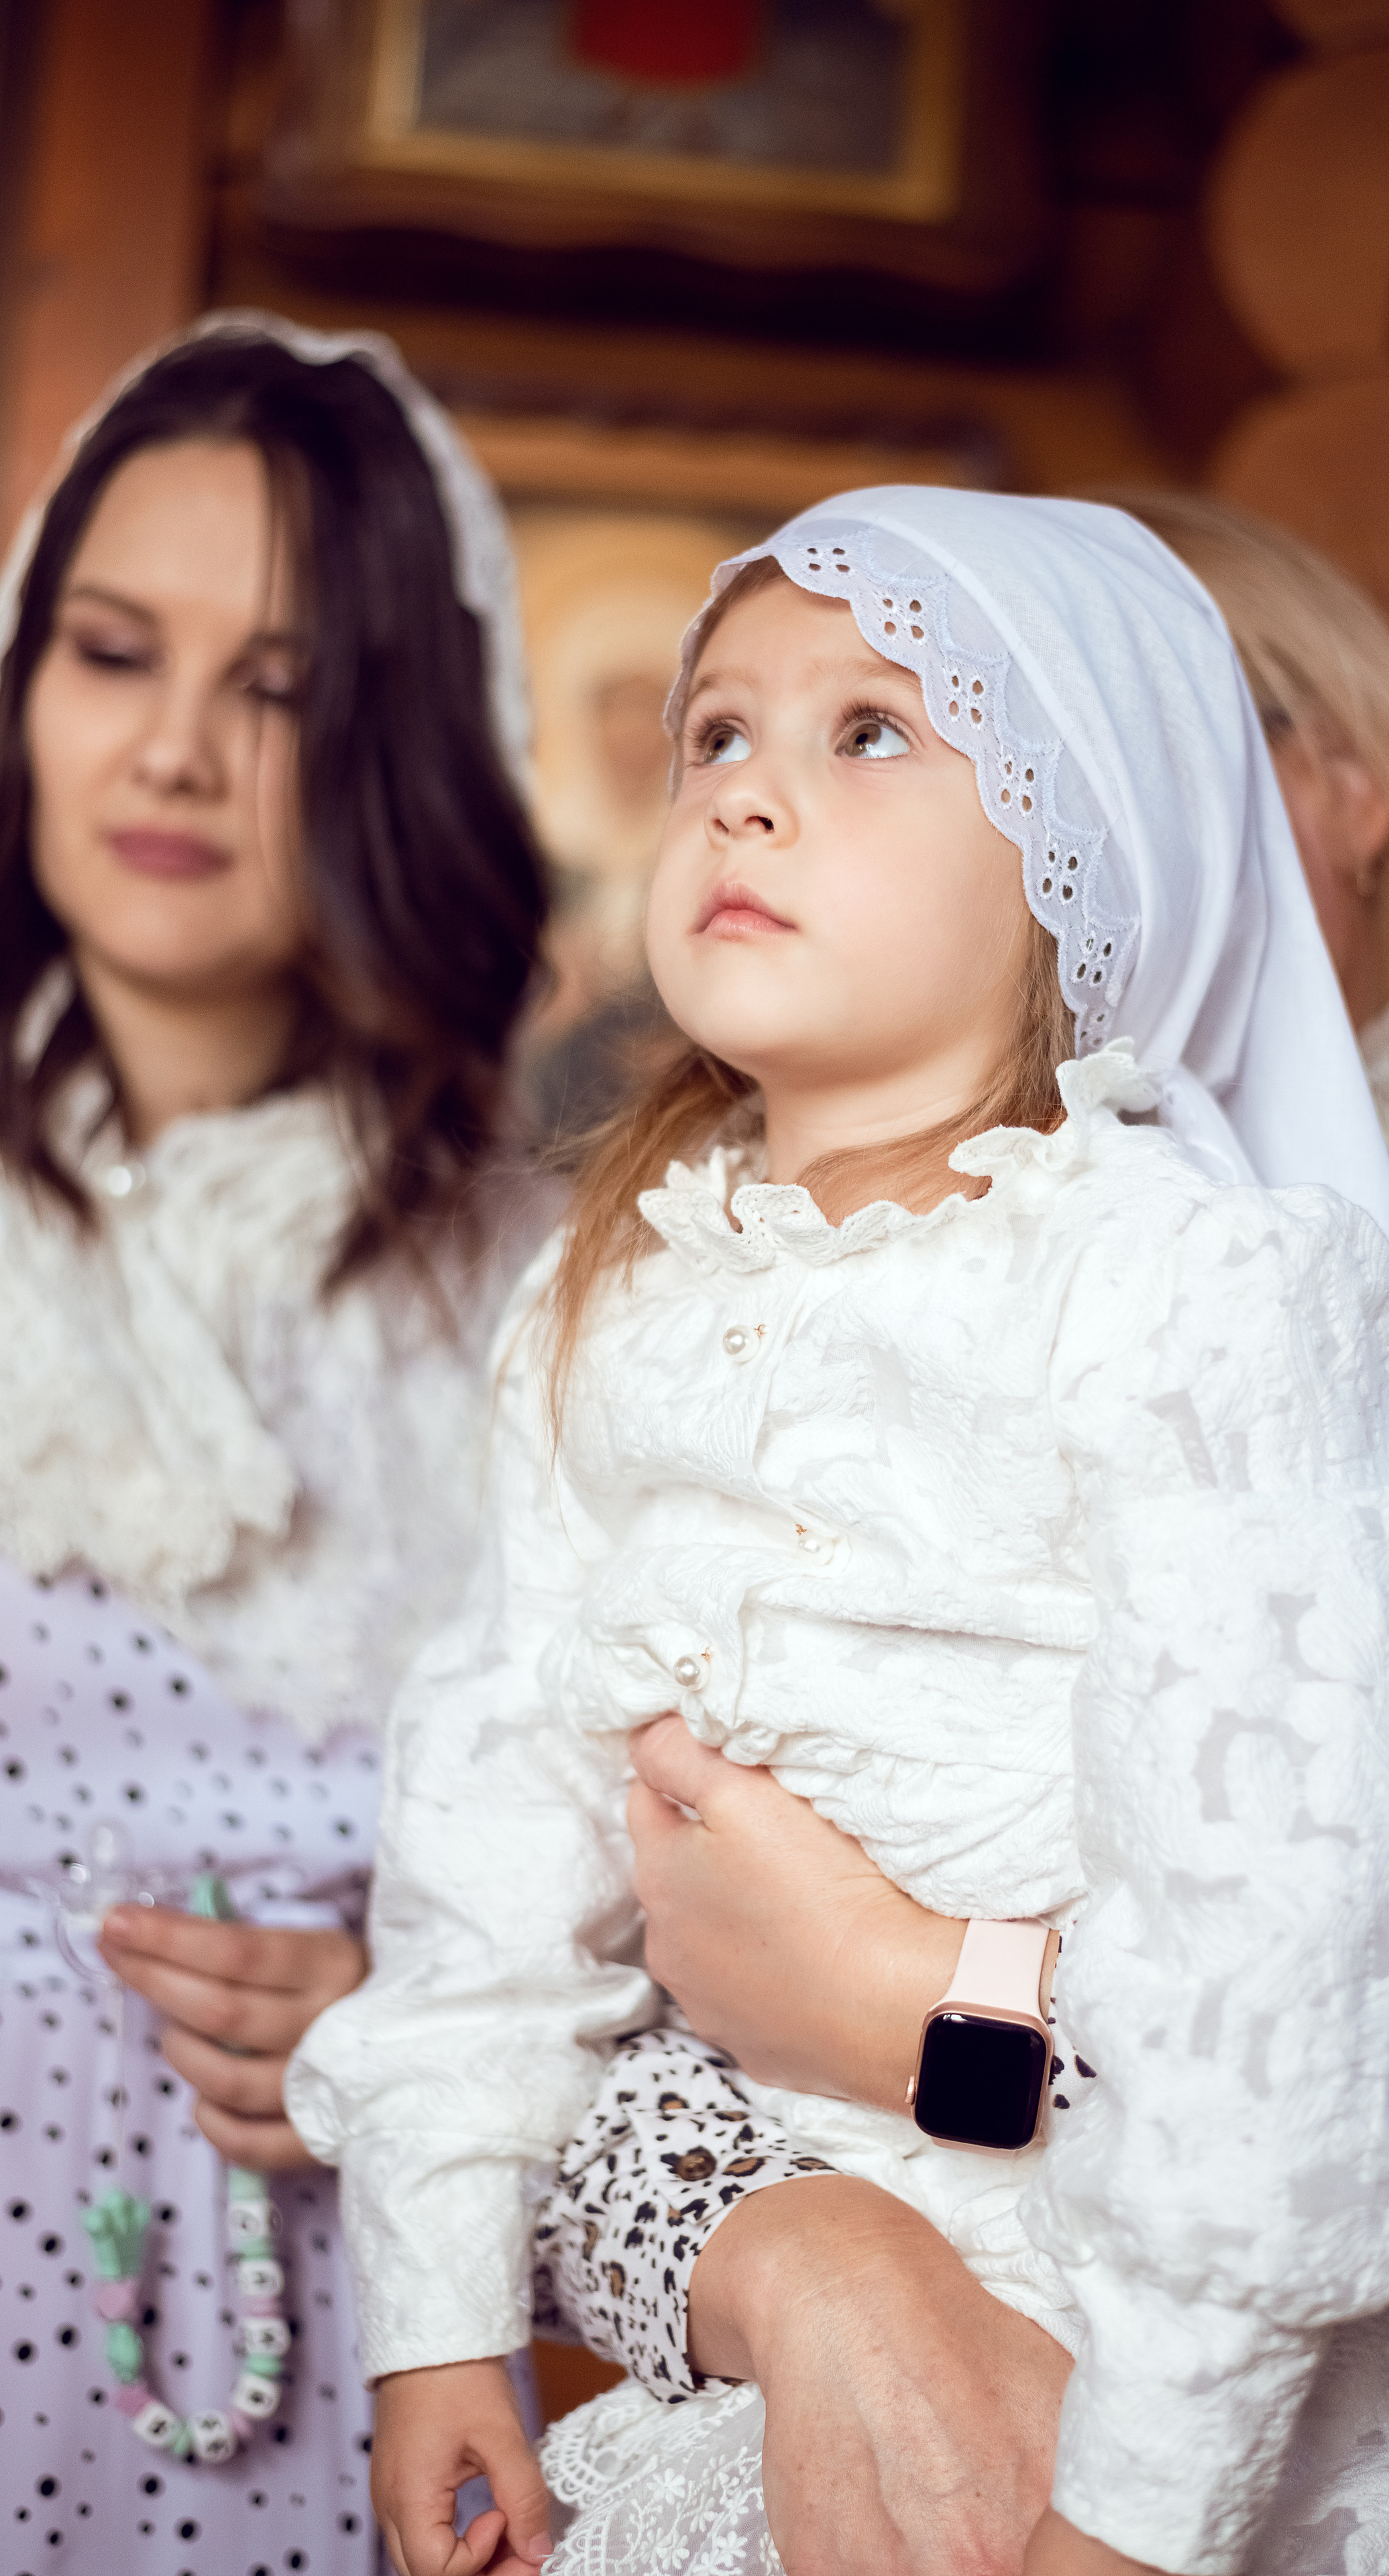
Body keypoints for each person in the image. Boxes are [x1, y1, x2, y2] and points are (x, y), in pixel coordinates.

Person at [290, 487, 1389, 2576]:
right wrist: (434, 2325)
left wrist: (1136, 2515)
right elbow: (491, 1828)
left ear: (1084, 846)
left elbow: (1301, 1966)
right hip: (774, 2355)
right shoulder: (607, 1292)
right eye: (716, 738)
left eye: (872, 733)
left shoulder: (1207, 1295)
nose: (750, 799)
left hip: (1168, 2421)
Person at [579, 495, 1389, 2576]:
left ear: (1346, 787)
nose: (1095, 781)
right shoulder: (861, 1278)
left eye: (1139, 708)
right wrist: (817, 2264)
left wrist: (936, 2003)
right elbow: (646, 1975)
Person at [0, 312, 550, 2576]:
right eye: (116, 650)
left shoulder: (546, 1294)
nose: (178, 752)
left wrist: (418, 2031)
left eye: (285, 686)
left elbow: (686, 1912)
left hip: (336, 2361)